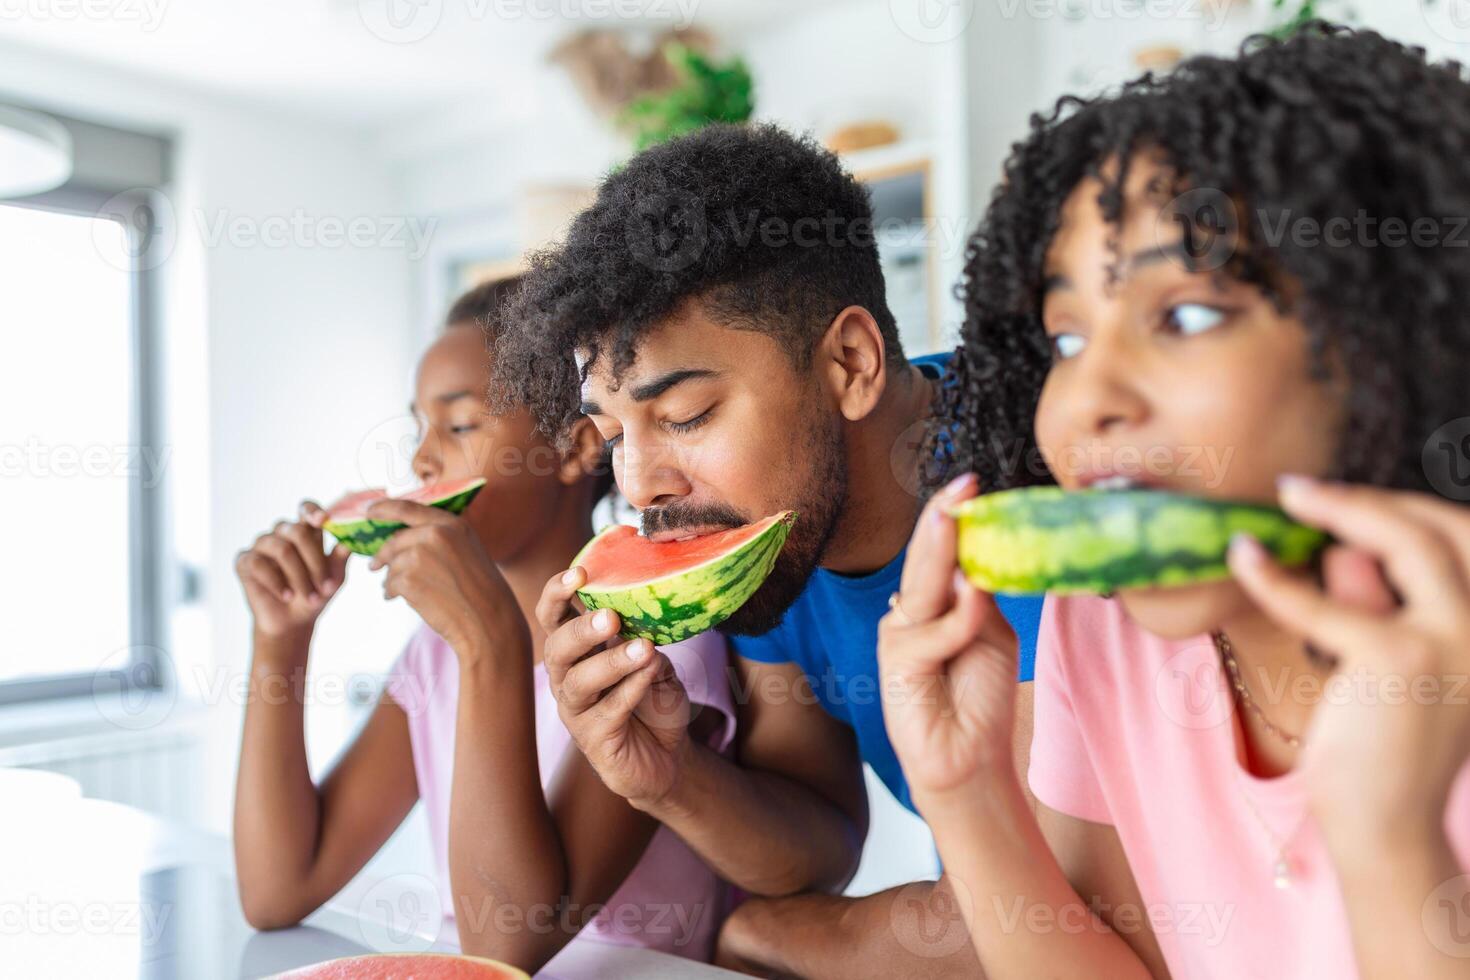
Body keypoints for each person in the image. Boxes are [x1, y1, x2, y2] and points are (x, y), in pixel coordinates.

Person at [879, 24, 1470, 980]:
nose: (1089, 400)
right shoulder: (1104, 628)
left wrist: (1394, 846)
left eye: (1186, 315)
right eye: (1066, 337)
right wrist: (963, 791)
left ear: (1385, 341)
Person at [491, 122, 1045, 977]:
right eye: (612, 434)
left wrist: (757, 936)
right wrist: (668, 779)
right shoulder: (771, 536)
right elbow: (819, 839)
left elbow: (1037, 922)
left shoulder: (1042, 490)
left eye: (684, 418)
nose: (639, 487)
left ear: (851, 363)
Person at [231, 278, 735, 973]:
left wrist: (489, 646)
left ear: (573, 447)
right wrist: (280, 639)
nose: (420, 462)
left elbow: (510, 941)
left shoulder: (654, 647)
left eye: (461, 425)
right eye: (420, 428)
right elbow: (276, 888)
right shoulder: (433, 655)